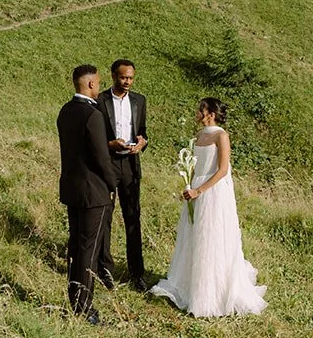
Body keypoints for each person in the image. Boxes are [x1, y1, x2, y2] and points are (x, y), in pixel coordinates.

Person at [150, 99, 265, 317]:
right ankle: (189, 285)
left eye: (201, 109)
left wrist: (200, 190)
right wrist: (189, 186)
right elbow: (195, 165)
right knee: (193, 235)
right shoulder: (199, 137)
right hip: (196, 189)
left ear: (210, 113)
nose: (197, 112)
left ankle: (212, 293)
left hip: (213, 192)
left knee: (210, 237)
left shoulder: (221, 136)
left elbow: (222, 170)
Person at [57, 64, 116, 325]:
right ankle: (83, 308)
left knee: (75, 245)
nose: (100, 88)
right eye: (99, 83)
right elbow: (101, 158)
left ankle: (75, 298)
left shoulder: (65, 111)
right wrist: (113, 184)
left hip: (72, 188)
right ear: (90, 84)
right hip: (94, 192)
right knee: (88, 251)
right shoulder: (93, 115)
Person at [96, 58, 149, 292]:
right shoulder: (100, 100)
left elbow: (143, 131)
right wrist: (110, 144)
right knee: (105, 217)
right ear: (113, 76)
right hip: (107, 163)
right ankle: (104, 270)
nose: (127, 82)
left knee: (133, 218)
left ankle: (137, 273)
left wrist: (142, 142)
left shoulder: (139, 101)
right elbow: (94, 137)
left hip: (130, 164)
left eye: (130, 78)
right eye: (123, 77)